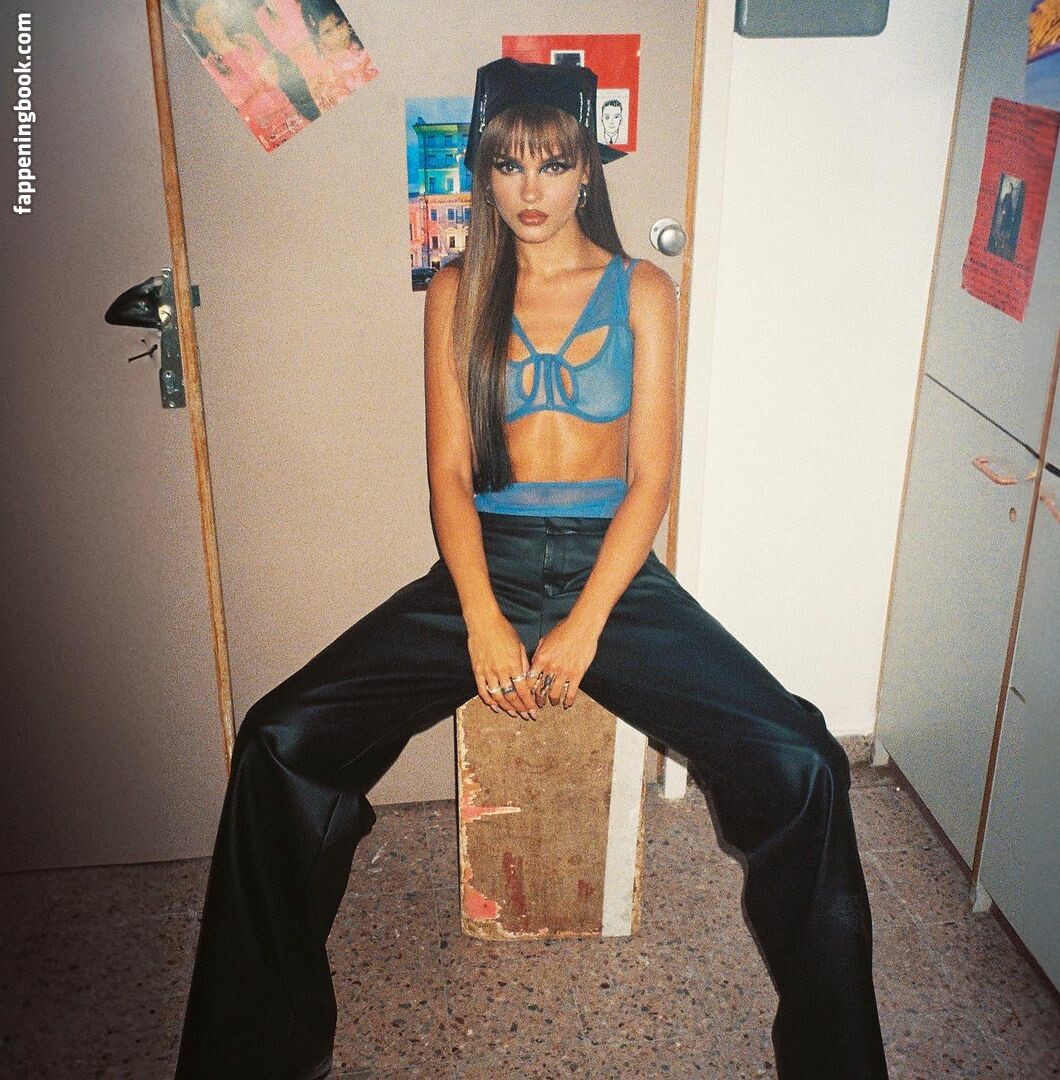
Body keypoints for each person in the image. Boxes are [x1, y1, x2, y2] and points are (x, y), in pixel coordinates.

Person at [174, 56, 890, 1080]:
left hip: (614, 577)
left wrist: (587, 625)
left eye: (553, 163)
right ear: (484, 172)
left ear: (588, 167)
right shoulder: (457, 290)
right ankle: (258, 1054)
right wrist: (481, 620)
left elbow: (650, 481)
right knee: (278, 738)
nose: (530, 189)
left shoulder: (644, 289)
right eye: (507, 164)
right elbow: (448, 476)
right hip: (490, 564)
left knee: (807, 763)